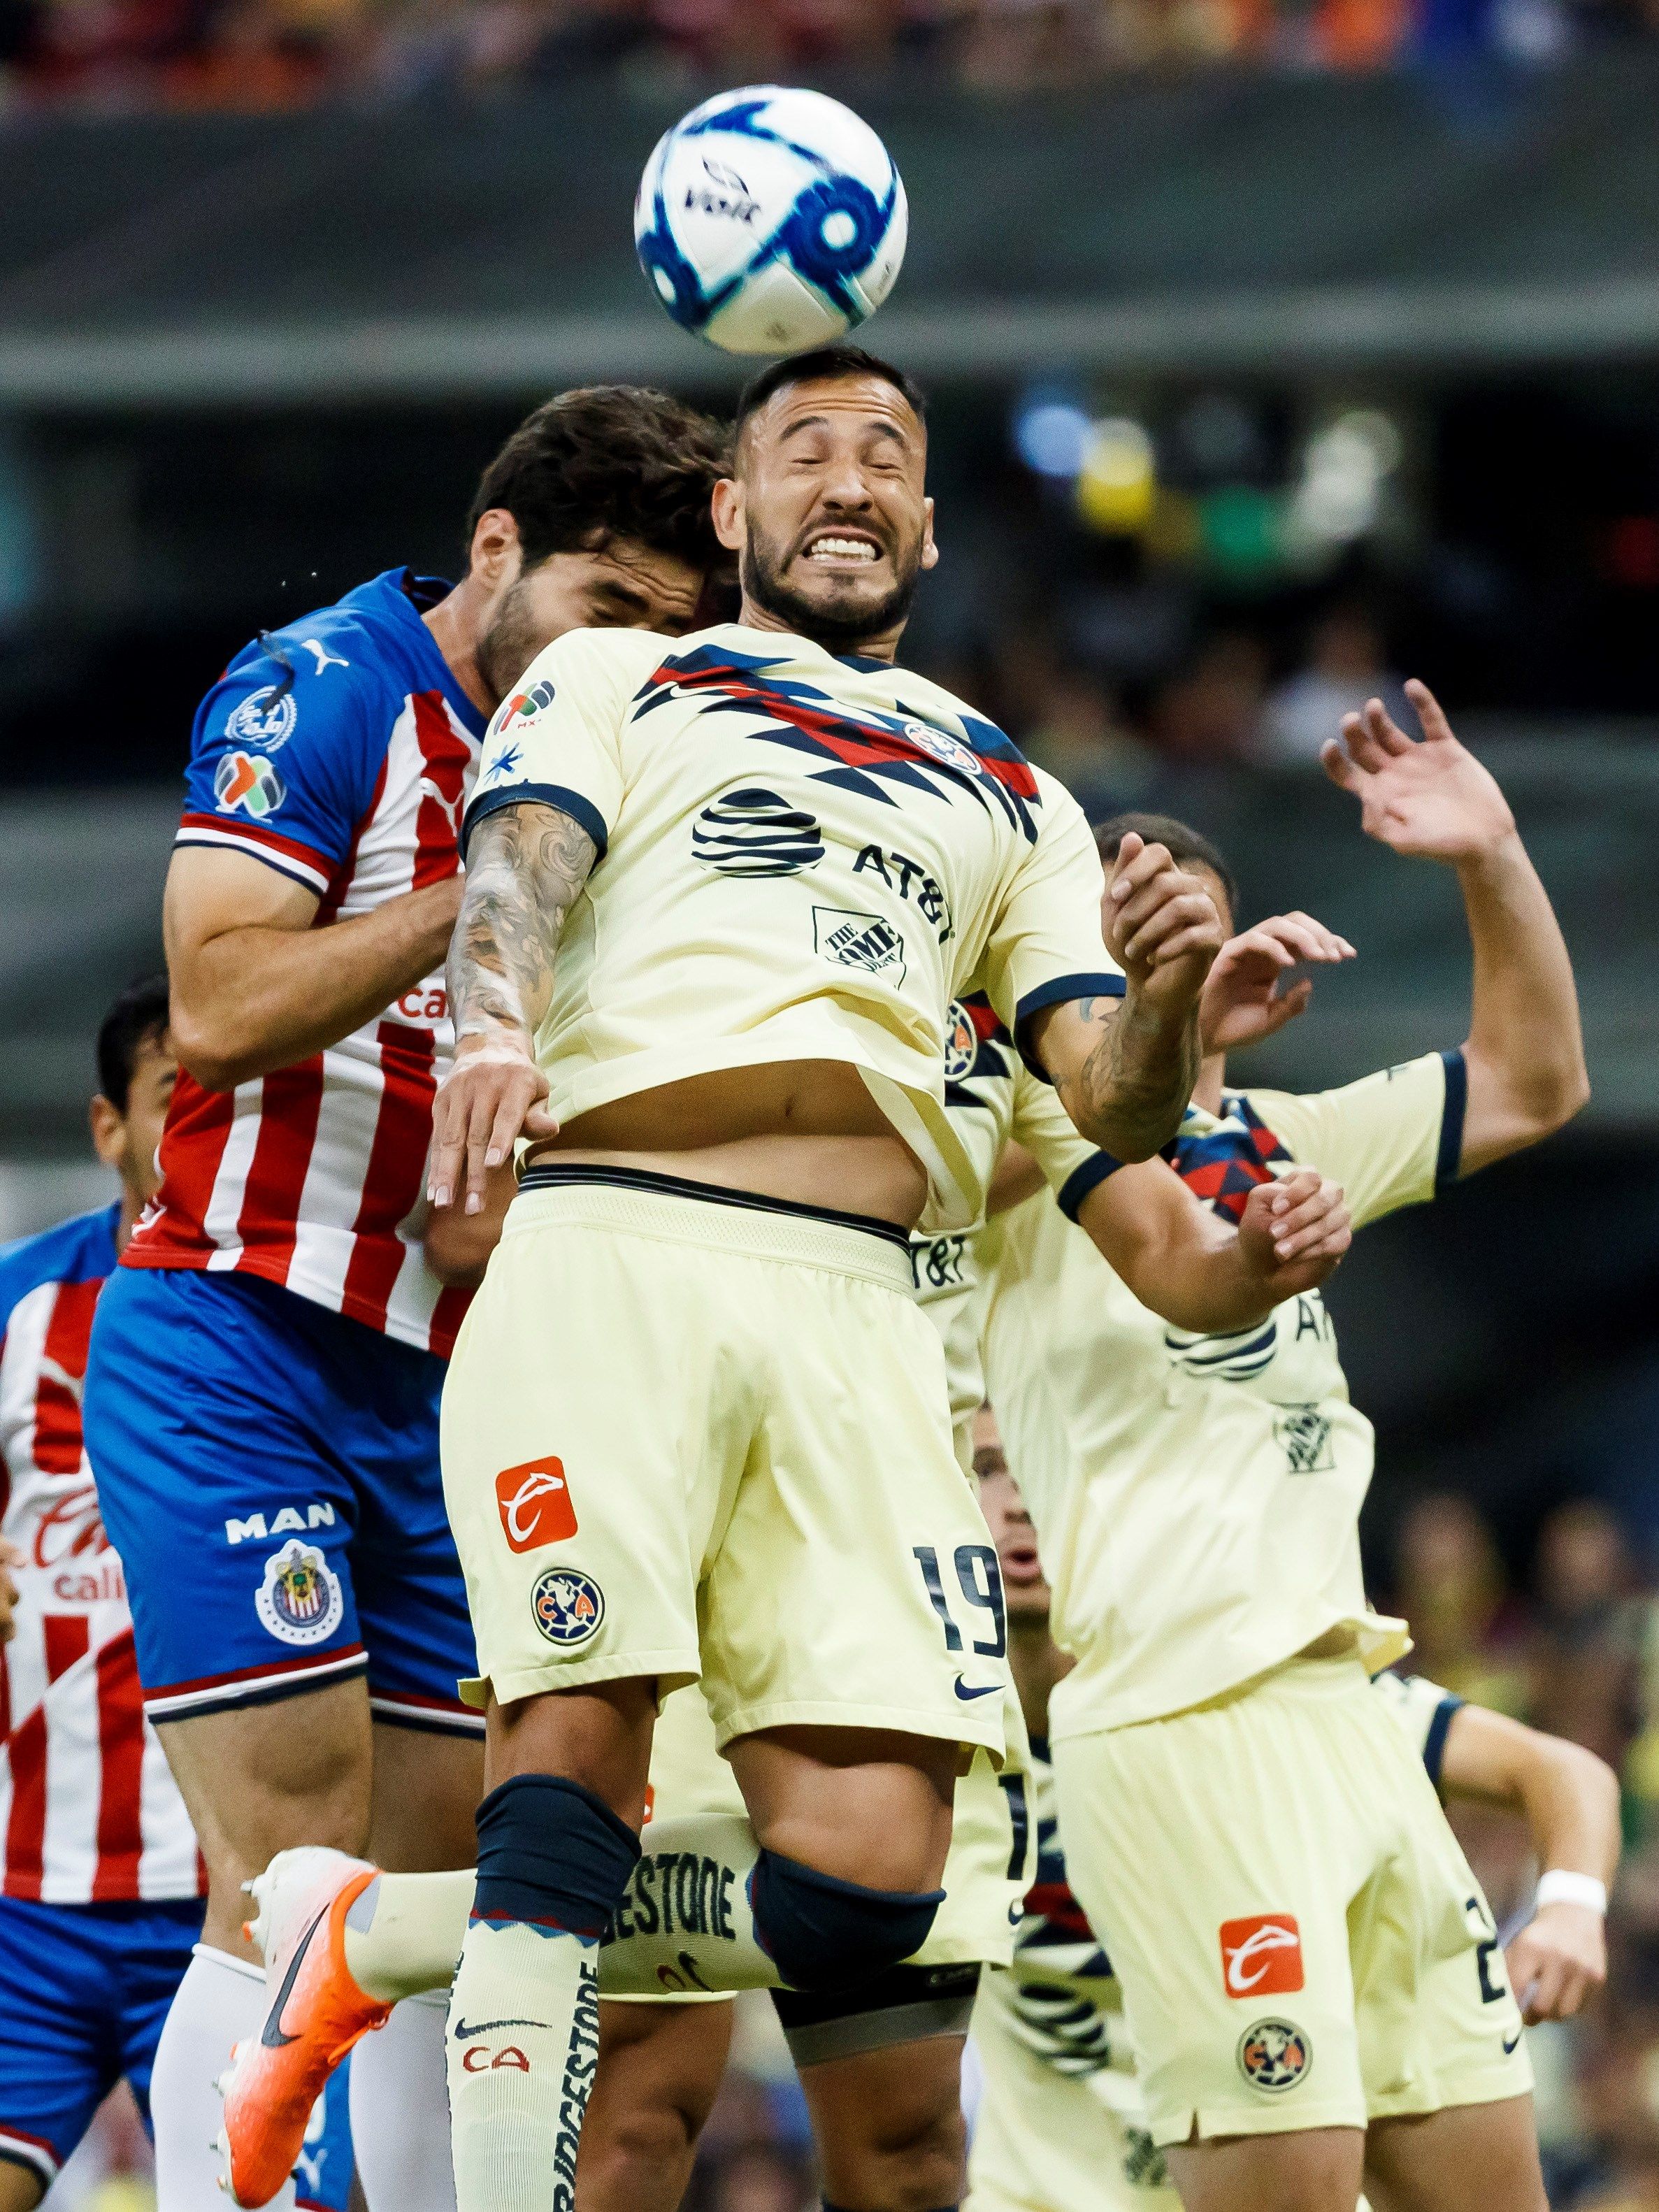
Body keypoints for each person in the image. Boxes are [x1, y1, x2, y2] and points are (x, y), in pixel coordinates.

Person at [218, 338, 1238, 2212]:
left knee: (866, 1874)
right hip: (621, 1246)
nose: (846, 479)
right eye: (804, 449)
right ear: (731, 507)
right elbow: (523, 855)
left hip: (863, 1311)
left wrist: (1171, 997)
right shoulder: (619, 671)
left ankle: (375, 1940)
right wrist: (503, 1019)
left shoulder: (1008, 790)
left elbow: (1111, 1095)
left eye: (885, 455)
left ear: (926, 521)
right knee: (576, 1756)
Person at [222, 977, 1349, 2209]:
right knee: (640, 2101)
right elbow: (463, 1226)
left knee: (909, 2130)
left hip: (881, 1533)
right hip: (681, 1500)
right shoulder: (701, 917)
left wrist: (1162, 1043)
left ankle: (385, 1927)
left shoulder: (1018, 1001)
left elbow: (1156, 1225)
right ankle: (388, 1936)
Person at [78, 387, 731, 2211]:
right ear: (500, 551)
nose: (633, 663)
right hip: (236, 1335)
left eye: (669, 637)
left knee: (447, 1902)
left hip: (453, 1379)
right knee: (289, 1878)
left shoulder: (623, 761)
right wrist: (489, 887)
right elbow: (210, 999)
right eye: (612, 611)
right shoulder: (326, 684)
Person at [975, 684, 1590, 2212]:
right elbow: (1115, 1177)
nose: (1158, 940)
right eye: (1118, 923)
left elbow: (1532, 1083)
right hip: (1181, 1723)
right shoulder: (1015, 1140)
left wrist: (1488, 853)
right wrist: (1153, 1009)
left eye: (1184, 916)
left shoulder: (1297, 1139)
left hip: (1350, 1716)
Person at [965, 1415, 1623, 2212]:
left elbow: (1561, 1771)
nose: (1018, 1502)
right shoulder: (931, 1746)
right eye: (991, 1468)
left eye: (1041, 1465)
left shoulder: (1254, 1703)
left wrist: (1572, 1907)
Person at [0, 980, 351, 2211]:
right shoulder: (19, 1307)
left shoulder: (312, 1306)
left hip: (237, 1894)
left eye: (230, 1093)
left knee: (265, 2193)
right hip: (29, 1907)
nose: (207, 1118)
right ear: (108, 1128)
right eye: (176, 1096)